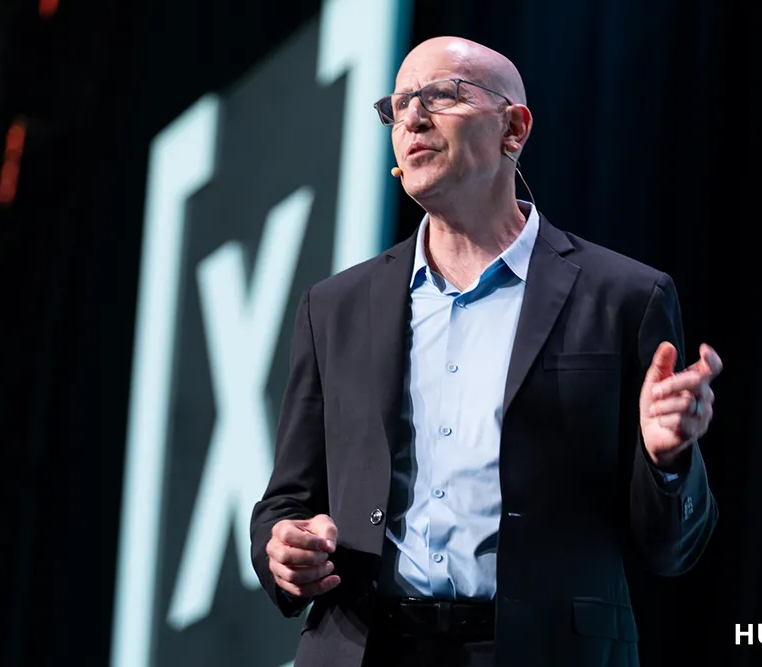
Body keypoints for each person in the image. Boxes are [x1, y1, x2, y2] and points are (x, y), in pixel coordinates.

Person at [251, 36, 721, 667]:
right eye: (398, 105)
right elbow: (287, 501)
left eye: (441, 95)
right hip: (367, 648)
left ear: (513, 129)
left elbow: (673, 548)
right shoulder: (335, 306)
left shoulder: (625, 296)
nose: (412, 118)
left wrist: (666, 462)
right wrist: (283, 548)